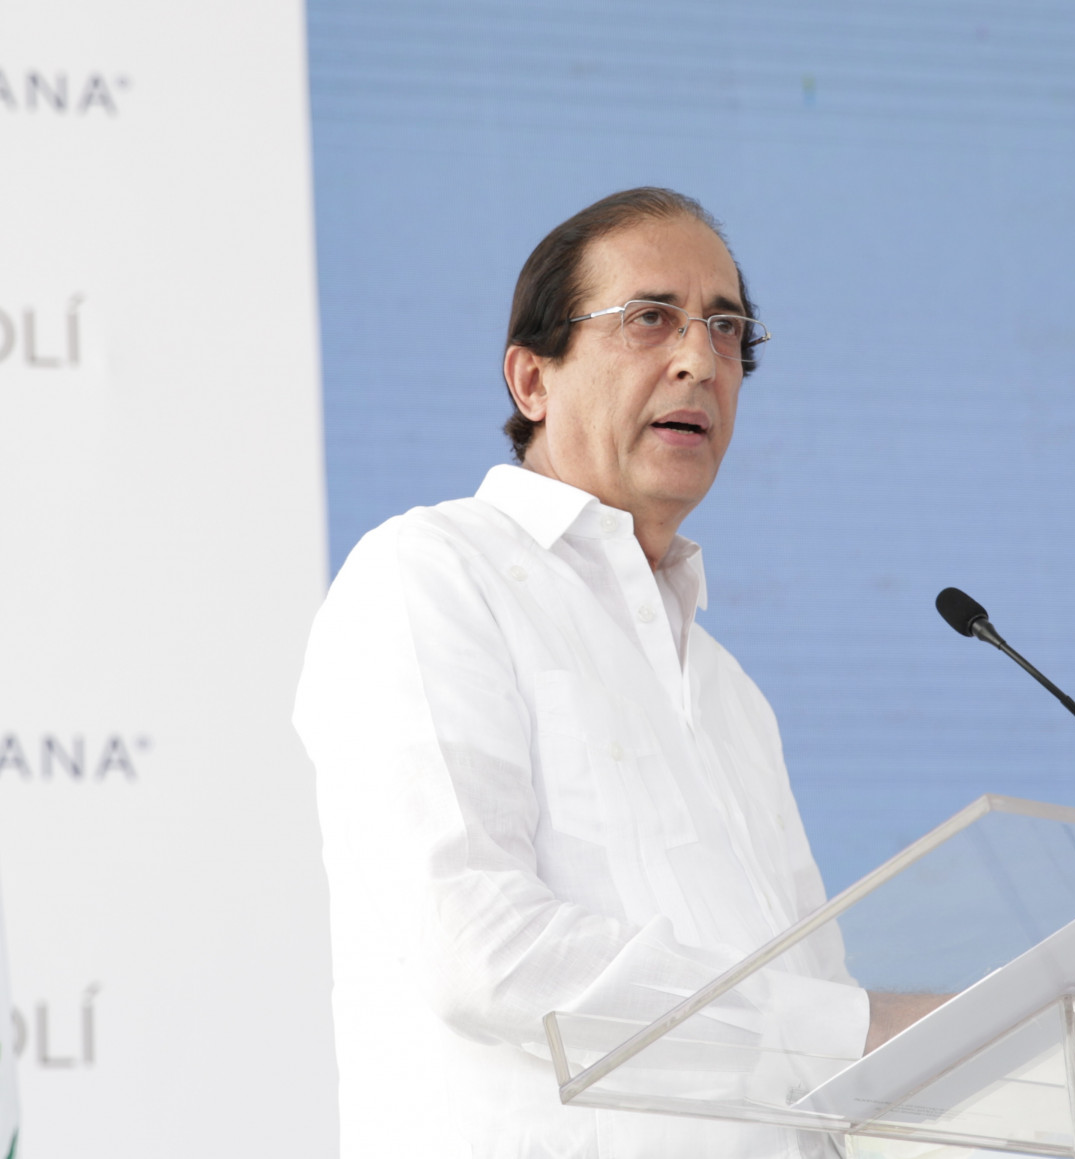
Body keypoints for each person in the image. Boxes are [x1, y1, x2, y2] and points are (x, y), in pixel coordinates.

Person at [293, 188, 940, 1159]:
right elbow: (478, 947)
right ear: (532, 379)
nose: (699, 360)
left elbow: (814, 1044)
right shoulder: (432, 575)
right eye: (649, 318)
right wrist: (846, 1028)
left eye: (726, 328)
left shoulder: (730, 693)